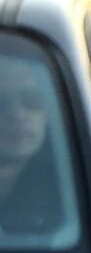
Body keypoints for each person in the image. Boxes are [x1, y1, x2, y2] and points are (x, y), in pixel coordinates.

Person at [0, 57, 59, 234]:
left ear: (48, 112)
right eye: (1, 102)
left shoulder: (71, 189)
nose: (17, 114)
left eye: (31, 100)